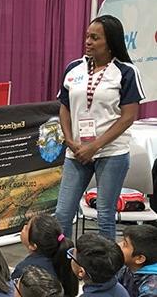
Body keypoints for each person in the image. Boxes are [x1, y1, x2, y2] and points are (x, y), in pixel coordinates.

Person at [55, 14, 145, 240]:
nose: (88, 41)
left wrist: (94, 146)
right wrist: (70, 141)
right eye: (87, 36)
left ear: (110, 42)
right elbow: (64, 108)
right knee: (62, 214)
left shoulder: (125, 72)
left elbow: (128, 116)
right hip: (76, 152)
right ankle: (65, 268)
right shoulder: (73, 68)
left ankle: (104, 273)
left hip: (111, 153)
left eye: (95, 38)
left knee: (105, 215)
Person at [11, 214, 78, 297]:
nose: (24, 227)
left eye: (27, 228)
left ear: (33, 246)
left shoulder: (24, 271)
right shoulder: (64, 259)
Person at [117, 225, 157, 296]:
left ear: (139, 259)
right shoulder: (128, 267)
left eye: (125, 244)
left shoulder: (152, 287)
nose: (118, 244)